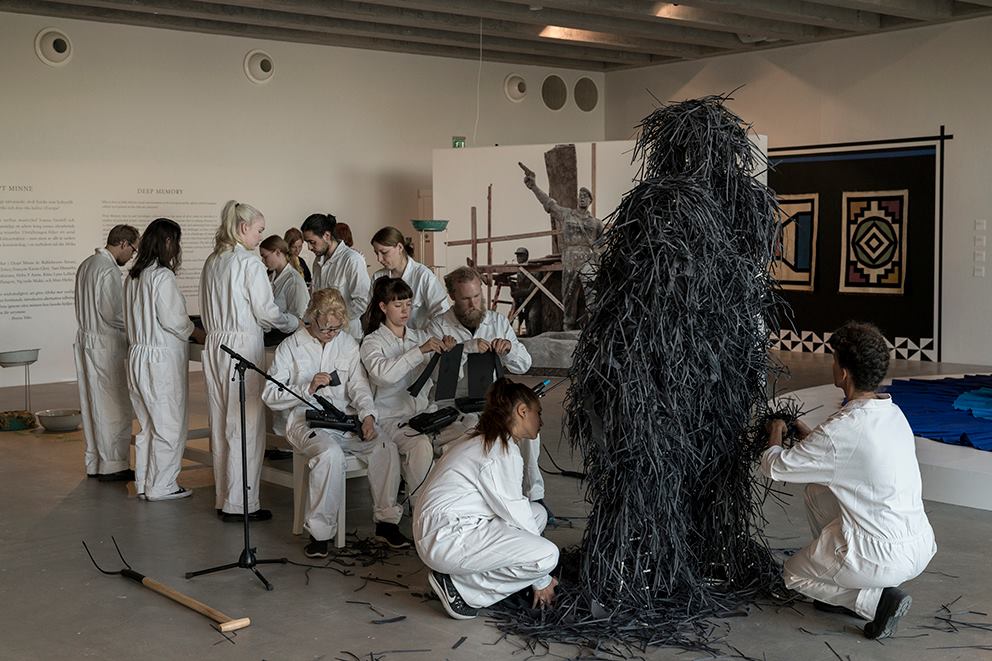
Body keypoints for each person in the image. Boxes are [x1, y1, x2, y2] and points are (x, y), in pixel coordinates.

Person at [762, 322, 937, 640]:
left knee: (794, 575)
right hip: (919, 543)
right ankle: (845, 578)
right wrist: (805, 433)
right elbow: (843, 454)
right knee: (817, 488)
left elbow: (776, 467)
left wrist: (775, 428)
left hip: (882, 554)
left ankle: (874, 600)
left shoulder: (842, 428)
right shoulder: (892, 413)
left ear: (842, 373)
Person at [262, 288, 410, 557]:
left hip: (345, 418)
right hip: (305, 421)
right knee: (329, 455)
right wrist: (307, 387)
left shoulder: (346, 343)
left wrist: (368, 416)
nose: (331, 333)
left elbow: (359, 386)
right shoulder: (290, 347)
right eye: (325, 328)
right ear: (311, 318)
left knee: (385, 447)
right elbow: (269, 394)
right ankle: (320, 534)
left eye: (336, 328)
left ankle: (386, 523)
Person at [414, 378, 559, 620]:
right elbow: (517, 517)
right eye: (538, 413)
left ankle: (460, 576)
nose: (541, 421)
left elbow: (520, 513)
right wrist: (541, 579)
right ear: (522, 411)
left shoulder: (487, 438)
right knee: (547, 556)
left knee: (538, 514)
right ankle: (462, 589)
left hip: (454, 527)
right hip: (447, 537)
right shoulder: (499, 452)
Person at [200, 200, 302, 522]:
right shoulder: (248, 263)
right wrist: (296, 323)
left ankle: (223, 496)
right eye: (259, 230)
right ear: (243, 228)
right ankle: (241, 503)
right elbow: (267, 312)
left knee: (220, 423)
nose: (261, 237)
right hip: (242, 345)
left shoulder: (213, 261)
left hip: (215, 344)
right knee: (245, 423)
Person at [427, 267, 544, 504]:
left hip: (493, 402)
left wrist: (509, 350)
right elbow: (437, 376)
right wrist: (466, 348)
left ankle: (535, 497)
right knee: (474, 435)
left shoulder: (497, 321)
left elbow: (524, 365)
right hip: (455, 405)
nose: (473, 304)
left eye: (477, 296)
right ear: (453, 297)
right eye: (466, 299)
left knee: (529, 428)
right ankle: (485, 499)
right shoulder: (438, 326)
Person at [124, 218, 202, 501]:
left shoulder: (134, 276)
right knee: (168, 424)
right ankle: (164, 485)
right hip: (160, 360)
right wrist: (196, 331)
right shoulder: (162, 276)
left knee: (148, 425)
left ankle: (146, 482)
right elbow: (173, 320)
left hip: (137, 356)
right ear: (168, 242)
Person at [360, 278, 442, 508]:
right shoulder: (372, 342)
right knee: (420, 445)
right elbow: (383, 375)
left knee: (468, 435)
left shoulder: (419, 337)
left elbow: (438, 378)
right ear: (383, 307)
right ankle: (421, 510)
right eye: (398, 305)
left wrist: (447, 354)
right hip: (391, 420)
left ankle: (454, 507)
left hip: (424, 415)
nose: (405, 310)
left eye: (408, 304)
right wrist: (419, 352)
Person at [73, 224, 139, 481]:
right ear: (122, 243)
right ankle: (114, 465)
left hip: (88, 341)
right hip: (106, 344)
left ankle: (97, 462)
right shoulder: (108, 270)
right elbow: (113, 314)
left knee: (93, 405)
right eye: (132, 249)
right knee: (114, 406)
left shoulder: (87, 264)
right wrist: (139, 324)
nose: (132, 255)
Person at [521, 166, 604, 331]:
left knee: (592, 295)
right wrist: (534, 187)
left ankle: (594, 329)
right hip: (570, 260)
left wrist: (598, 259)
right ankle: (568, 328)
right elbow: (549, 204)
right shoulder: (567, 215)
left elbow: (602, 245)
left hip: (588, 259)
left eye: (585, 196)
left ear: (590, 201)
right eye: (580, 196)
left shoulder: (596, 223)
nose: (582, 198)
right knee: (569, 296)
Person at [302, 213, 370, 339]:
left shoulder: (352, 260)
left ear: (327, 236)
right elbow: (315, 299)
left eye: (312, 242)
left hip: (347, 332)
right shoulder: (317, 263)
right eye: (307, 243)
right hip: (322, 331)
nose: (309, 247)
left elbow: (363, 301)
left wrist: (335, 320)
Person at [370, 226, 450, 330]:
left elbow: (442, 313)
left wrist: (428, 336)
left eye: (384, 253)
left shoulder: (423, 276)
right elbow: (371, 314)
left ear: (399, 247)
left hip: (419, 340)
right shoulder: (378, 277)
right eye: (377, 253)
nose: (379, 259)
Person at [260, 235, 308, 320]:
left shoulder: (294, 281)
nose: (263, 261)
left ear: (278, 252)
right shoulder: (270, 277)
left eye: (265, 256)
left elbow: (300, 316)